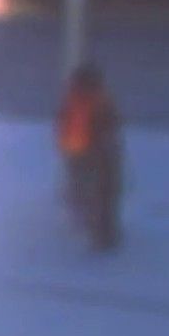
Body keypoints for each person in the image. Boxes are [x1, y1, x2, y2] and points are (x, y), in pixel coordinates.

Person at [56, 63, 122, 251]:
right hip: (93, 154)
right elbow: (111, 125)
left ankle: (98, 232)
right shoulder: (99, 100)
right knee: (99, 194)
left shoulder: (76, 99)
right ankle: (101, 234)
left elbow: (63, 124)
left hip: (80, 153)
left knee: (91, 193)